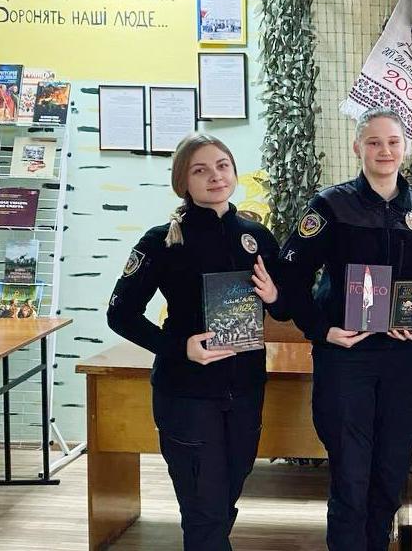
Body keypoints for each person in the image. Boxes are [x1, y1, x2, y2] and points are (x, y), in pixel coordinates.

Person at [277, 106, 412, 551]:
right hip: (345, 359)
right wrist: (322, 330)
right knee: (351, 479)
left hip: (401, 361)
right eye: (374, 142)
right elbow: (291, 275)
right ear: (357, 147)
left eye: (393, 142)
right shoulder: (329, 205)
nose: (384, 151)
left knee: (390, 476)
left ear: (406, 147)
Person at [106, 133, 284, 551]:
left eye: (222, 166)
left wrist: (276, 296)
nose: (215, 176)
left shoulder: (257, 237)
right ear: (182, 182)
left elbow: (285, 309)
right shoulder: (162, 241)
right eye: (200, 170)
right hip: (187, 393)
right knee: (204, 510)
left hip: (245, 390)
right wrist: (179, 347)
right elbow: (120, 314)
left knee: (224, 500)